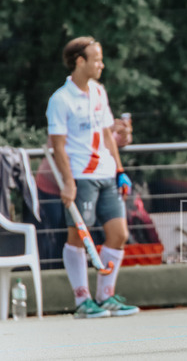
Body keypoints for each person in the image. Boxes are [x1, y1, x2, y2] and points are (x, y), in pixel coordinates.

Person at [46, 36, 139, 318]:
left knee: (119, 234)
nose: (102, 64)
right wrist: (68, 182)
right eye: (96, 59)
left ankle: (106, 296)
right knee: (77, 237)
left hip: (107, 174)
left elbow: (108, 135)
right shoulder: (60, 99)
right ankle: (82, 301)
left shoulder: (99, 91)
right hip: (81, 177)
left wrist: (120, 170)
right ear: (80, 61)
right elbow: (57, 146)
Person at [34, 117, 132, 270]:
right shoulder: (67, 111)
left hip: (83, 186)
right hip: (52, 186)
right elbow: (66, 144)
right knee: (58, 236)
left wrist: (123, 134)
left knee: (88, 235)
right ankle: (55, 275)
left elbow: (110, 142)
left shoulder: (99, 110)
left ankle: (90, 277)